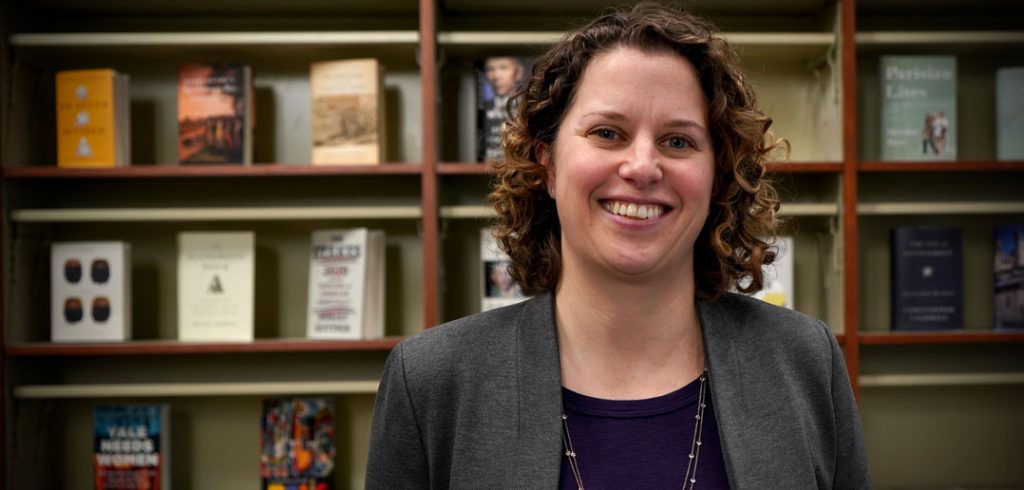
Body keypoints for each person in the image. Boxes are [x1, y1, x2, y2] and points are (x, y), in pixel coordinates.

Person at [367, 3, 870, 488]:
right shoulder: (431, 382)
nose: (642, 167)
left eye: (678, 141)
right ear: (547, 163)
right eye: (608, 133)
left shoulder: (805, 361)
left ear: (716, 175)